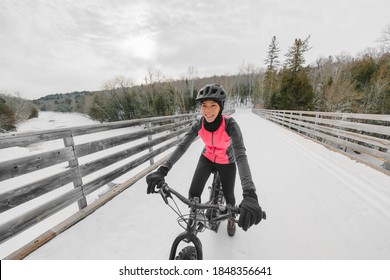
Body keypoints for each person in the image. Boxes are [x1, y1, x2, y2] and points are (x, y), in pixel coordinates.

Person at [146, 83, 263, 236]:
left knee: (230, 199)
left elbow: (241, 156)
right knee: (193, 194)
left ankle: (230, 219)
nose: (207, 111)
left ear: (221, 107)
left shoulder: (230, 125)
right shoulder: (199, 124)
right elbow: (182, 146)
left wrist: (250, 194)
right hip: (207, 157)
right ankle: (193, 223)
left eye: (213, 105)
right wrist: (163, 170)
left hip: (226, 160)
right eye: (204, 105)